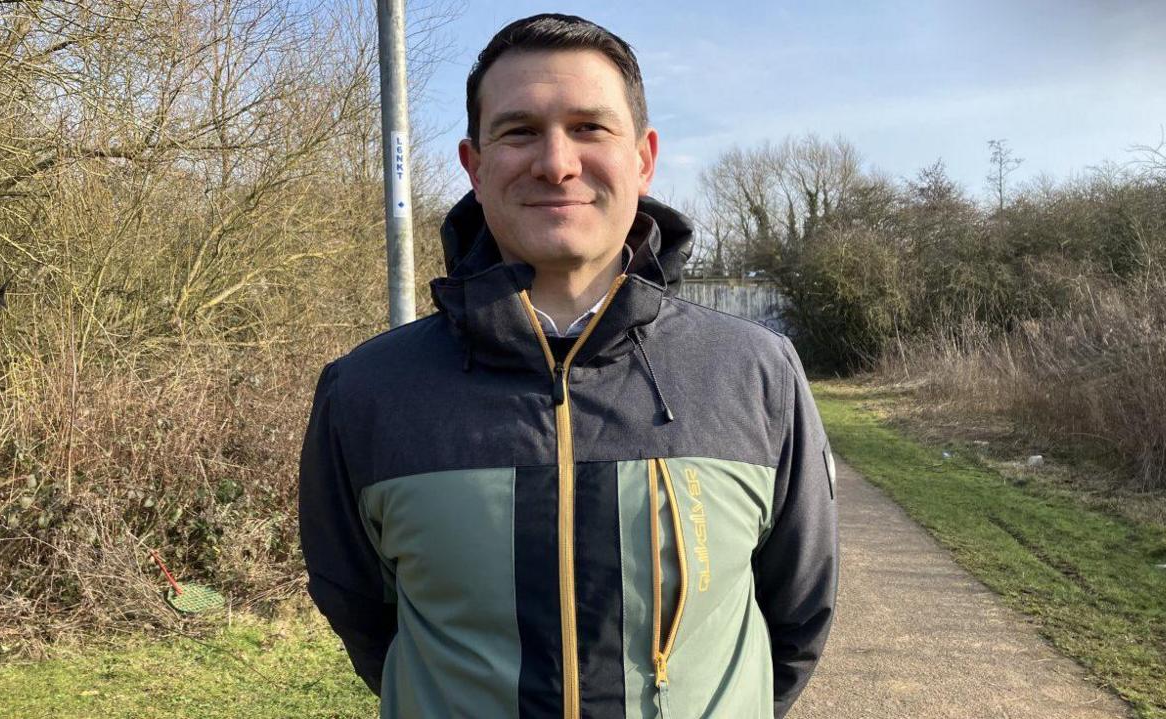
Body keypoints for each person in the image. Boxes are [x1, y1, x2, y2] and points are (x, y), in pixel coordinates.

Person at [299, 13, 838, 719]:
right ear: (474, 164)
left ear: (643, 158)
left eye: (589, 127)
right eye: (520, 130)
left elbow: (794, 618)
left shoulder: (757, 372)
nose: (556, 162)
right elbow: (366, 617)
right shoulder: (366, 393)